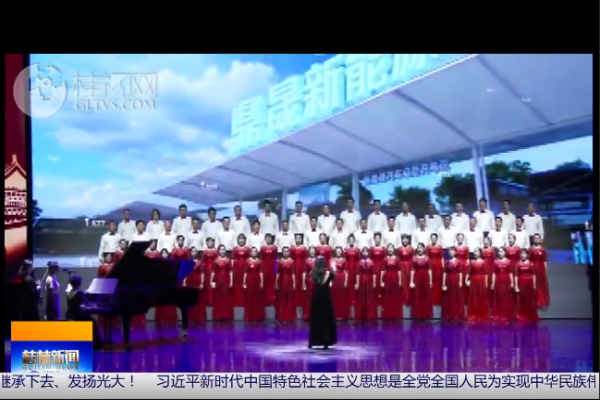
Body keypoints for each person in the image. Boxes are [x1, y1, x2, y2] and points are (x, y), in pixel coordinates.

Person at [65, 276, 103, 349]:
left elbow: (76, 304)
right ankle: (96, 345)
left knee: (89, 319)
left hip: (71, 315)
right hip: (78, 316)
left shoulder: (69, 292)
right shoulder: (79, 293)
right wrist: (95, 305)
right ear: (79, 283)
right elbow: (87, 303)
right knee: (93, 321)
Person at [308, 256, 337, 349]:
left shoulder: (312, 273)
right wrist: (333, 269)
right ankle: (325, 341)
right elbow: (334, 278)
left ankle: (313, 341)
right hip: (326, 298)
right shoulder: (328, 273)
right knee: (326, 319)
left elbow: (312, 281)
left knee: (315, 319)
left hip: (316, 298)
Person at [514, 249, 539, 323]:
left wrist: (534, 285)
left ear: (527, 255)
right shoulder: (518, 264)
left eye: (524, 254)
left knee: (530, 300)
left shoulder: (531, 264)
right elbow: (516, 276)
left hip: (529, 283)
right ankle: (521, 315)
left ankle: (530, 316)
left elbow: (534, 275)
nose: (523, 255)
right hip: (521, 283)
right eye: (521, 254)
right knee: (522, 300)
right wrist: (516, 286)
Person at [491, 247, 514, 323]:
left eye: (502, 251)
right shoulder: (495, 261)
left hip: (506, 281)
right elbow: (494, 273)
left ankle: (506, 314)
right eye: (499, 252)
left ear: (505, 253)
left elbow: (510, 273)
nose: (500, 253)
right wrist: (493, 283)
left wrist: (512, 282)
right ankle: (498, 314)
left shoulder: (508, 261)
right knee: (498, 297)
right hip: (498, 281)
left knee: (506, 297)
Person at [410, 243, 433, 320]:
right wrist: (411, 281)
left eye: (421, 248)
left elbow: (429, 270)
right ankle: (417, 315)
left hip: (426, 278)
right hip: (417, 277)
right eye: (418, 248)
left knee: (426, 295)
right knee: (417, 295)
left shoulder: (427, 258)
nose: (419, 249)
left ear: (424, 249)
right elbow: (412, 270)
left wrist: (430, 281)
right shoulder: (414, 258)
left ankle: (425, 314)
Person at [211, 245, 234, 321]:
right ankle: (218, 315)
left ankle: (226, 315)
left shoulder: (228, 260)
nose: (222, 251)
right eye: (221, 249)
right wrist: (212, 281)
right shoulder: (216, 260)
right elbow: (213, 271)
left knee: (226, 297)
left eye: (223, 249)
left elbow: (230, 271)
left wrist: (231, 281)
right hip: (218, 279)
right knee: (218, 297)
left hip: (226, 279)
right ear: (218, 251)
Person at [466, 248, 489, 323]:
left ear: (480, 253)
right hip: (474, 280)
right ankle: (473, 315)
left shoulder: (484, 262)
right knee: (474, 297)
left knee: (481, 297)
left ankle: (481, 315)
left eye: (477, 251)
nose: (475, 253)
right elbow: (469, 272)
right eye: (474, 251)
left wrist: (486, 283)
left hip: (481, 280)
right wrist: (466, 280)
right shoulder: (472, 262)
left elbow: (486, 273)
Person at [441, 247, 464, 322]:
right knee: (449, 297)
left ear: (455, 252)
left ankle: (457, 314)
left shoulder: (458, 261)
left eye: (452, 251)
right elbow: (444, 273)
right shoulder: (447, 261)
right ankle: (449, 315)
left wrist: (460, 281)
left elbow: (460, 272)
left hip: (456, 279)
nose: (451, 252)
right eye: (449, 251)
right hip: (449, 280)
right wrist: (443, 283)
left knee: (456, 297)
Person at [354, 247, 377, 321]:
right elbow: (357, 273)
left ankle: (370, 315)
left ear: (368, 253)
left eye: (366, 251)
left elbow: (374, 273)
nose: (365, 253)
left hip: (369, 280)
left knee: (370, 297)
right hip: (362, 280)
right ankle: (362, 315)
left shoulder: (372, 262)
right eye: (363, 251)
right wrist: (357, 283)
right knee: (362, 297)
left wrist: (374, 283)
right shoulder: (359, 262)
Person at [381, 244, 402, 320]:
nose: (390, 249)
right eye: (389, 248)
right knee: (387, 295)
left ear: (393, 249)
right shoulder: (385, 259)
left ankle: (395, 315)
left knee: (395, 295)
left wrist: (400, 281)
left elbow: (399, 270)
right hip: (387, 277)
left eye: (391, 248)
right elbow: (383, 270)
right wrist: (381, 281)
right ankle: (387, 315)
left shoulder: (397, 259)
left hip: (395, 277)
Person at [243, 247, 265, 321]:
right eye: (252, 251)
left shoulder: (260, 261)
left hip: (257, 281)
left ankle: (257, 316)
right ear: (250, 252)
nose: (254, 252)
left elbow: (261, 272)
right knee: (249, 298)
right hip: (249, 281)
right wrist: (244, 282)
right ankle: (249, 316)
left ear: (257, 253)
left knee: (257, 298)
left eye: (255, 251)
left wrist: (262, 282)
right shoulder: (247, 261)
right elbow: (245, 272)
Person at [275, 247, 296, 322]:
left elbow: (293, 273)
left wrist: (294, 283)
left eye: (287, 251)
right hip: (281, 281)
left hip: (289, 281)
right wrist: (276, 283)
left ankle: (289, 316)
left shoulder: (292, 261)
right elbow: (277, 273)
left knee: (289, 298)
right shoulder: (279, 262)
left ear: (289, 252)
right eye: (284, 251)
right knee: (282, 299)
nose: (286, 253)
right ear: (282, 252)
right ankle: (282, 316)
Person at [529, 233, 549, 310]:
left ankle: (541, 301)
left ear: (540, 240)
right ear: (533, 240)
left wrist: (545, 271)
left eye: (538, 238)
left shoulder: (543, 250)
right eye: (535, 238)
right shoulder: (530, 249)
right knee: (533, 285)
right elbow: (529, 260)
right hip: (533, 269)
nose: (536, 239)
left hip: (540, 269)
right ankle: (533, 301)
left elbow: (544, 261)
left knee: (540, 285)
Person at [185, 248, 205, 323]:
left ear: (197, 253)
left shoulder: (200, 262)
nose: (194, 252)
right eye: (192, 251)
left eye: (195, 251)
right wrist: (184, 282)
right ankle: (190, 316)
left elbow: (202, 273)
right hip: (190, 280)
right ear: (190, 252)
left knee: (198, 298)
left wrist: (202, 282)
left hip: (197, 280)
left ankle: (198, 316)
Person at [330, 246, 350, 320]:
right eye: (337, 251)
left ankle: (341, 314)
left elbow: (346, 271)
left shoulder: (344, 260)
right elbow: (330, 271)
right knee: (334, 297)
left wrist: (346, 281)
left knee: (342, 297)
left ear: (341, 252)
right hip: (334, 278)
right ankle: (333, 315)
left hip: (342, 278)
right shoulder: (332, 260)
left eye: (339, 251)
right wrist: (330, 281)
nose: (338, 252)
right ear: (335, 252)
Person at [232, 234, 250, 307]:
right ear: (238, 240)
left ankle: (245, 301)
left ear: (245, 240)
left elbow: (249, 259)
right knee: (237, 284)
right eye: (240, 239)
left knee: (245, 283)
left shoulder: (247, 249)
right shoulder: (235, 249)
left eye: (242, 239)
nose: (241, 240)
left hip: (245, 267)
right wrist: (232, 268)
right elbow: (232, 259)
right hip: (237, 268)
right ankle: (237, 301)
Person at [260, 234, 278, 307]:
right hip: (265, 267)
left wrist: (275, 269)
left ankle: (272, 300)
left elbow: (276, 258)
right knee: (265, 283)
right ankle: (266, 301)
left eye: (269, 238)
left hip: (272, 267)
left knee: (272, 283)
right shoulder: (262, 248)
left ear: (271, 239)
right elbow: (261, 259)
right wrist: (261, 269)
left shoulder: (274, 247)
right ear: (265, 239)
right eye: (267, 238)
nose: (268, 239)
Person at [427, 233, 444, 306]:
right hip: (430, 265)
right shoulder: (428, 247)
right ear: (431, 239)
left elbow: (442, 257)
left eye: (435, 238)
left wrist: (443, 266)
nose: (433, 239)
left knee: (438, 281)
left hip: (438, 265)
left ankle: (438, 299)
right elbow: (426, 257)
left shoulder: (440, 247)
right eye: (432, 238)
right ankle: (431, 299)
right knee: (431, 281)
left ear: (437, 239)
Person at [200, 238, 218, 308]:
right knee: (207, 285)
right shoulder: (205, 252)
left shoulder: (216, 251)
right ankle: (208, 301)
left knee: (213, 284)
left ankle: (213, 301)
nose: (210, 243)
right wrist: (202, 269)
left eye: (211, 242)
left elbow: (217, 260)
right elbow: (202, 261)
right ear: (206, 243)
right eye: (209, 242)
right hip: (206, 269)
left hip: (214, 269)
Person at [290, 234, 308, 307]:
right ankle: (295, 301)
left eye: (299, 238)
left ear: (301, 239)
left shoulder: (304, 248)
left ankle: (301, 301)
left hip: (302, 266)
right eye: (297, 238)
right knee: (295, 283)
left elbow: (305, 258)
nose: (298, 240)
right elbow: (291, 258)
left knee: (301, 283)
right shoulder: (292, 248)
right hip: (294, 266)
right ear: (295, 239)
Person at [397, 234, 414, 306]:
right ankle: (403, 300)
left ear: (408, 240)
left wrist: (412, 267)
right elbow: (398, 259)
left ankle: (409, 299)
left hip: (409, 266)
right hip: (401, 266)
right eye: (403, 239)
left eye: (406, 239)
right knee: (403, 283)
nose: (405, 240)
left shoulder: (411, 248)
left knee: (409, 282)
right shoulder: (399, 249)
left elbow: (413, 258)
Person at [344, 234, 360, 306]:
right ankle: (348, 299)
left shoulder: (357, 250)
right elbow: (344, 260)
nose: (351, 241)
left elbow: (358, 260)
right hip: (348, 267)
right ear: (348, 241)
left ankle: (354, 299)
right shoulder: (345, 250)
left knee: (355, 282)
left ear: (354, 241)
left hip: (355, 267)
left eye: (352, 240)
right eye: (350, 240)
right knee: (348, 283)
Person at [302, 247, 317, 321]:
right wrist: (303, 283)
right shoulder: (306, 261)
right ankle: (308, 315)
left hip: (317, 281)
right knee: (309, 298)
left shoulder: (318, 260)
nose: (312, 252)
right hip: (309, 281)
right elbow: (304, 272)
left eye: (313, 250)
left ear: (315, 251)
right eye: (310, 250)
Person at [370, 233, 386, 303]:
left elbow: (385, 259)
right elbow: (370, 259)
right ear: (374, 239)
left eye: (378, 238)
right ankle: (374, 299)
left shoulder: (383, 249)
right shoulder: (371, 249)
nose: (377, 240)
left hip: (381, 267)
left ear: (380, 239)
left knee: (381, 281)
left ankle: (381, 299)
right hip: (373, 267)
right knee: (374, 282)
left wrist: (384, 268)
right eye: (376, 238)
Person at [455, 233, 470, 302]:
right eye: (459, 238)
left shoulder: (466, 248)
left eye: (461, 238)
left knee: (464, 281)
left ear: (463, 239)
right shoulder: (454, 248)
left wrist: (468, 268)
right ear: (457, 238)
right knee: (457, 281)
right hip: (456, 266)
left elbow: (467, 258)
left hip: (464, 266)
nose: (460, 239)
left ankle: (464, 299)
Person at [481, 236, 496, 303]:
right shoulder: (482, 250)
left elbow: (494, 260)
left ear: (490, 241)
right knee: (484, 284)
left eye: (487, 240)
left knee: (490, 284)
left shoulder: (492, 250)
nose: (486, 242)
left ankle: (491, 300)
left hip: (490, 268)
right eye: (484, 240)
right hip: (483, 269)